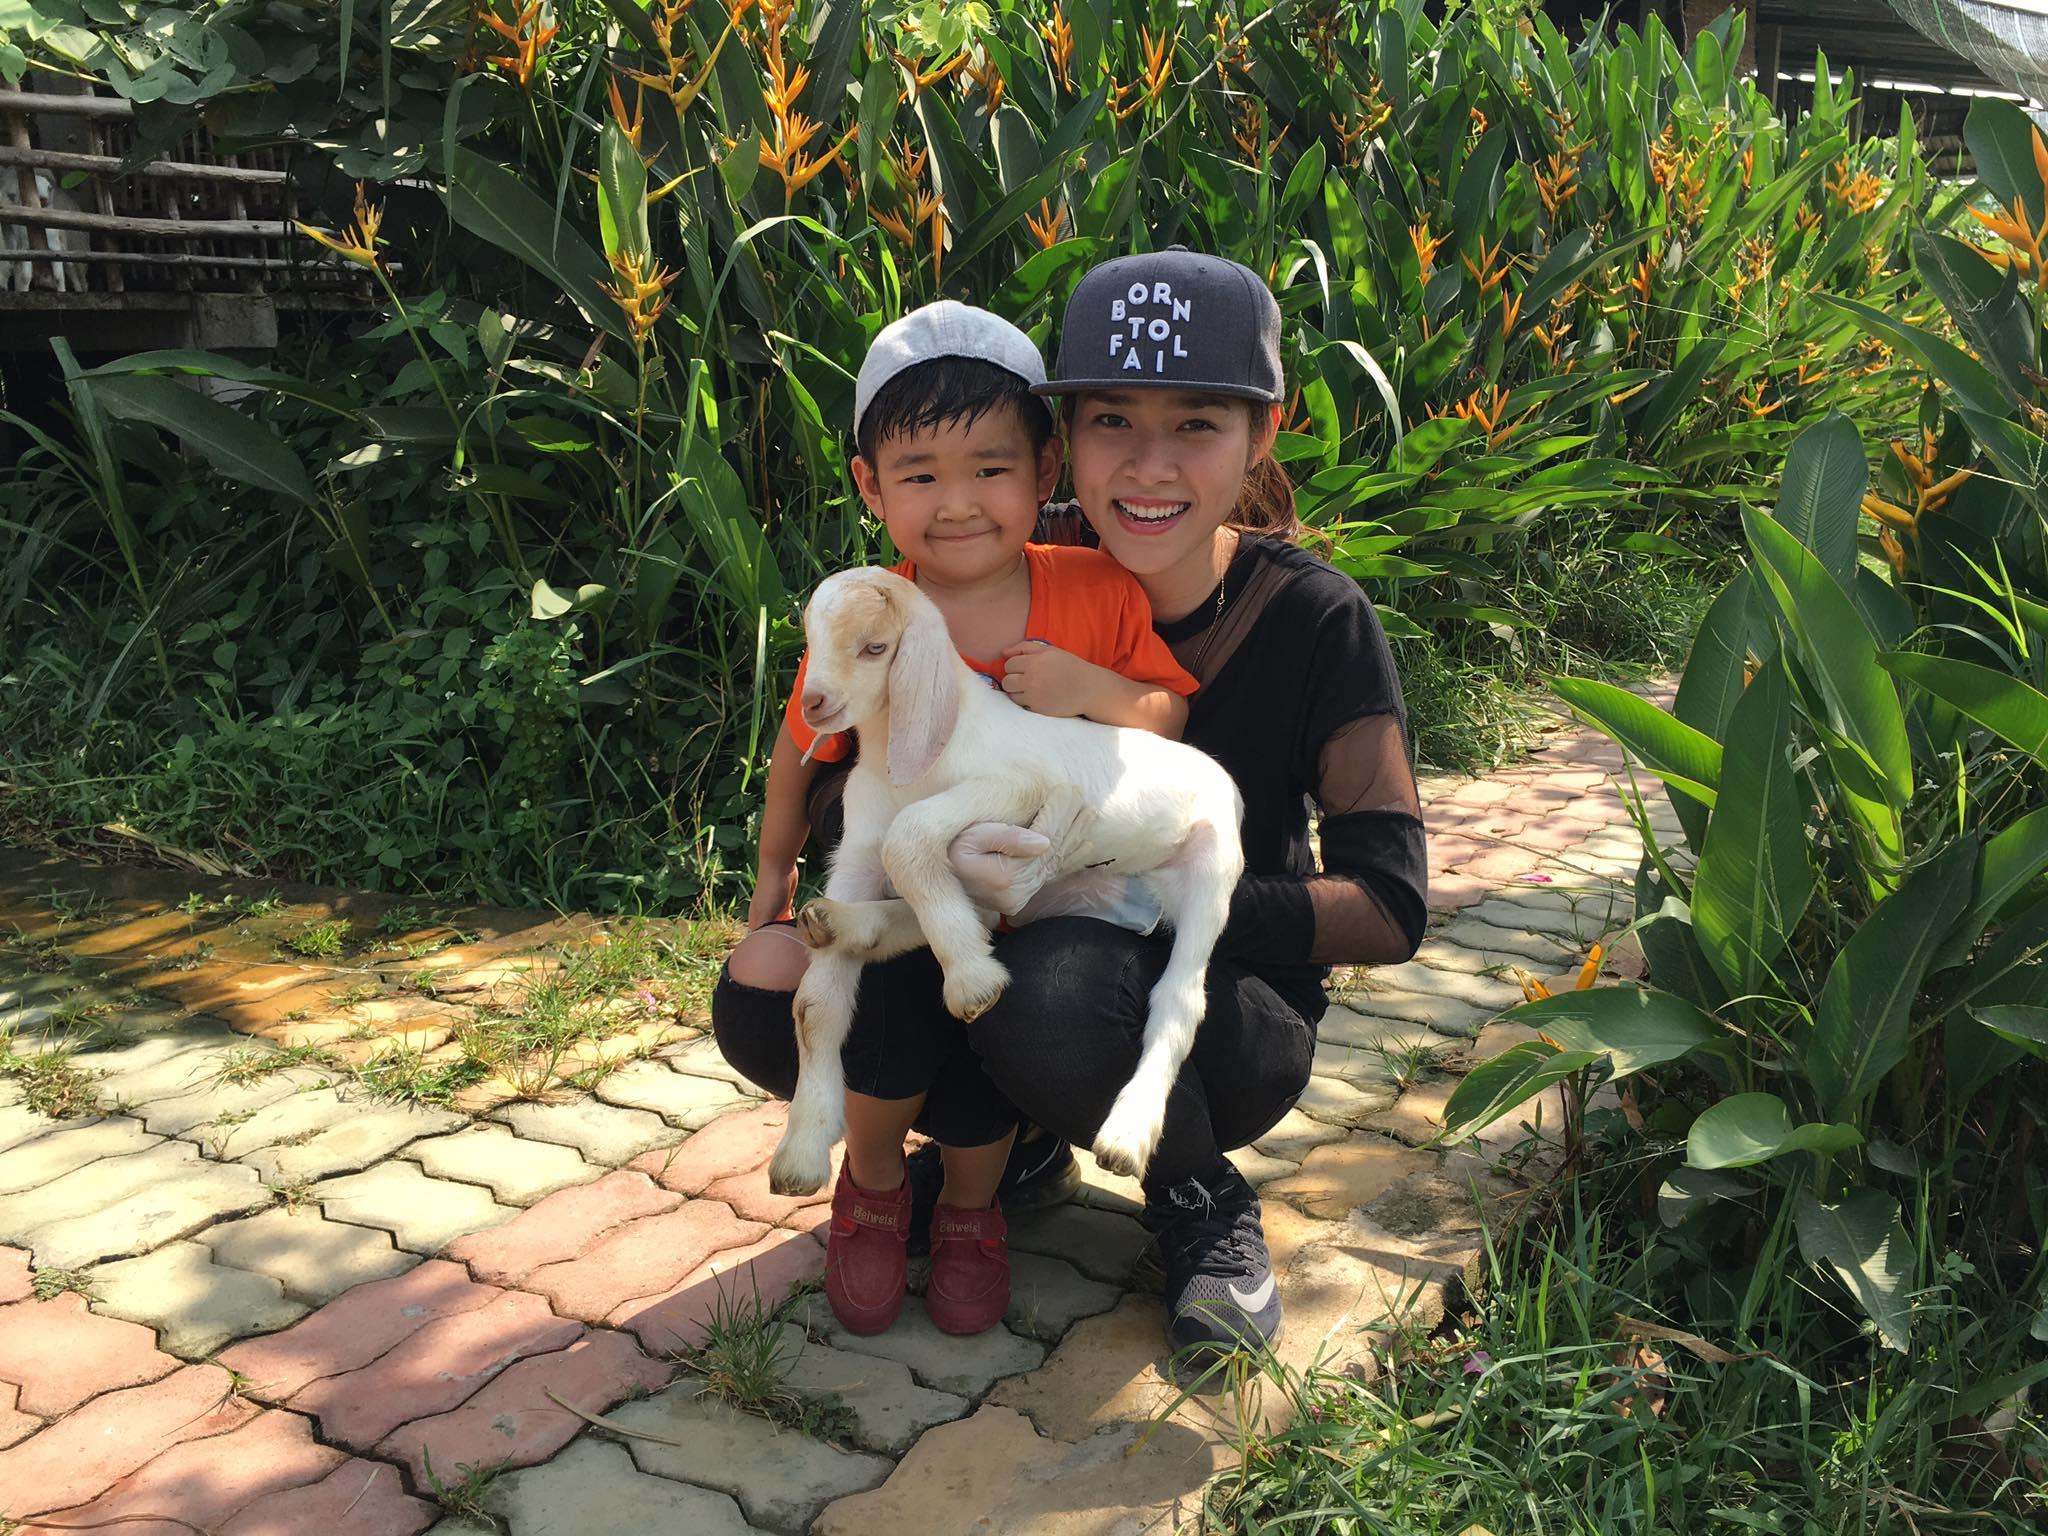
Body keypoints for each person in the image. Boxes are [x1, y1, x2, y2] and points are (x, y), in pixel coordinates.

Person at [717, 249, 1428, 1369]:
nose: (1148, 466)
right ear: (1065, 445)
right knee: (773, 987)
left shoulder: (1311, 619)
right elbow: (862, 717)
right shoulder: (1005, 539)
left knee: (1049, 989)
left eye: (1197, 425)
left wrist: (1127, 887)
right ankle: (999, 1153)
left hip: (1218, 993)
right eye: (1111, 422)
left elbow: (1389, 907)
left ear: (1264, 434)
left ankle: (1196, 1190)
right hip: (992, 934)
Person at [727, 299, 1199, 1340]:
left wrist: (1090, 688)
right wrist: (771, 878)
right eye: (918, 475)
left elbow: (1166, 714)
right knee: (878, 988)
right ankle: (874, 1182)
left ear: (1044, 470)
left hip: (1049, 892)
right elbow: (799, 752)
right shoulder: (866, 611)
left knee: (1007, 1007)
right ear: (869, 486)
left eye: (990, 468)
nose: (956, 504)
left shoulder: (1094, 590)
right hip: (911, 895)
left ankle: (973, 1209)